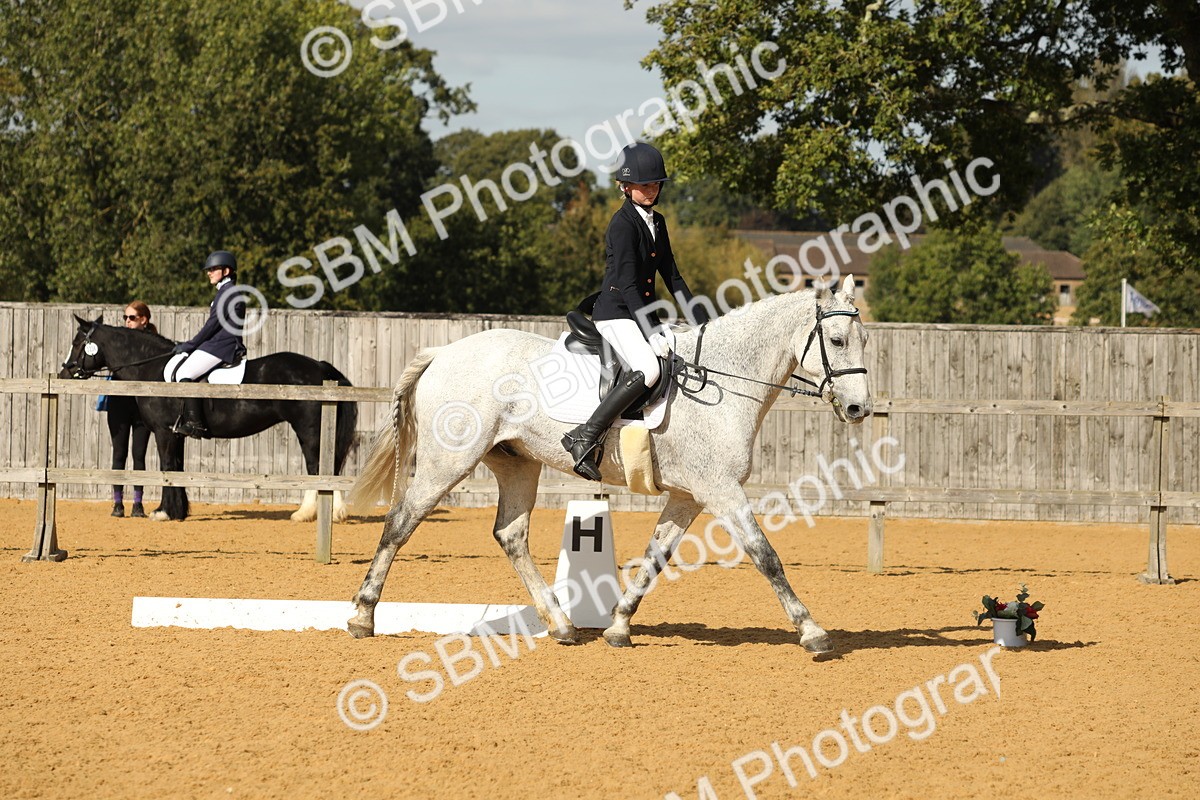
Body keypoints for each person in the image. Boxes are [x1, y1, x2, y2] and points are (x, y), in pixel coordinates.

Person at [561, 142, 711, 481]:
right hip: (615, 313)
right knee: (649, 368)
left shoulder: (658, 222)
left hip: (640, 312)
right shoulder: (622, 224)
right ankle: (584, 435)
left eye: (655, 184)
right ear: (625, 187)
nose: (651, 190)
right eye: (644, 185)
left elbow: (672, 277)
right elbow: (628, 285)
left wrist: (703, 323)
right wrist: (652, 331)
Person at [169, 250, 246, 439]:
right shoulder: (224, 292)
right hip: (216, 344)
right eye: (208, 270)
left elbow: (211, 326)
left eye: (213, 269)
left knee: (184, 372)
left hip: (222, 346)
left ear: (226, 271)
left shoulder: (228, 293)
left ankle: (195, 424)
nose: (209, 273)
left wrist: (190, 345)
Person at [99, 301, 157, 517]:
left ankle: (138, 504)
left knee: (139, 455)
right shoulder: (120, 342)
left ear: (144, 320)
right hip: (119, 402)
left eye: (131, 317)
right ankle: (117, 503)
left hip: (142, 406)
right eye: (125, 317)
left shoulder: (151, 345)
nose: (127, 322)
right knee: (119, 453)